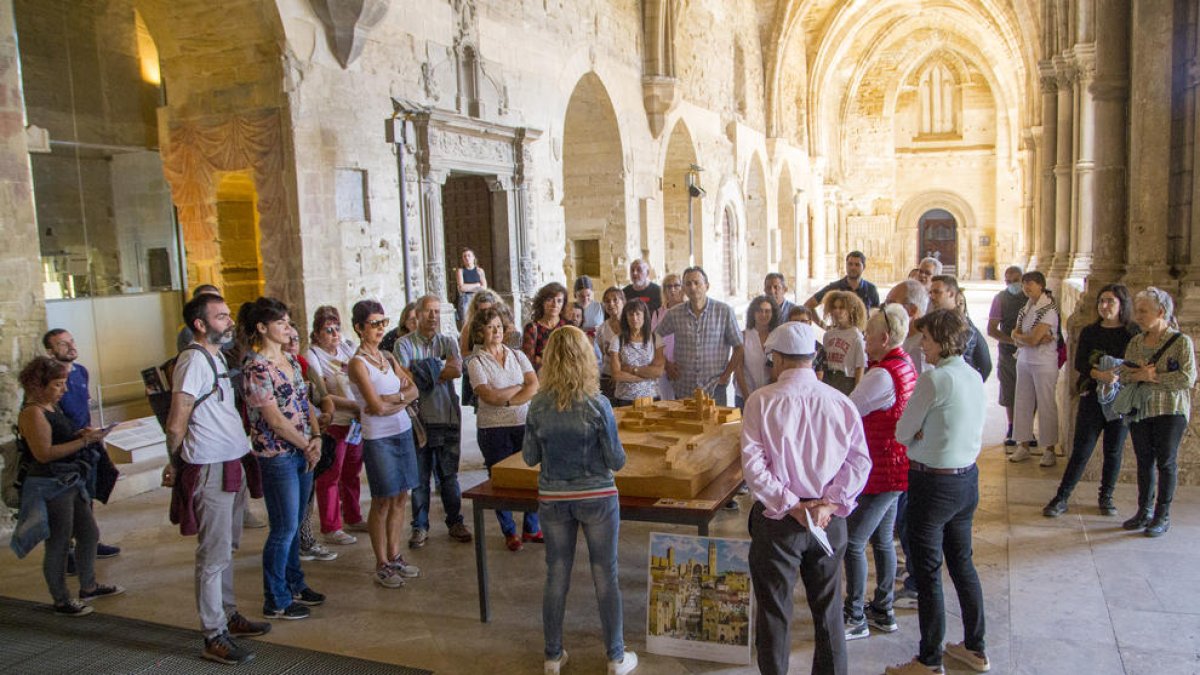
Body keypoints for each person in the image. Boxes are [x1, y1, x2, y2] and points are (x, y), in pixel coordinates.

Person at [740, 321, 871, 675]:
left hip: (780, 524)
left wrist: (791, 505)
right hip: (828, 521)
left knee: (774, 611)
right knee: (829, 611)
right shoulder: (840, 402)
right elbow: (859, 462)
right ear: (813, 358)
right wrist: (830, 502)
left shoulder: (761, 401)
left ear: (779, 360)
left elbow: (754, 467)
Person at [161, 293, 270, 664]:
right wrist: (174, 462)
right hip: (209, 466)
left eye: (227, 314)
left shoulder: (217, 357)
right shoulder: (193, 360)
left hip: (230, 461)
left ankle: (228, 613)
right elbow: (177, 421)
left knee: (227, 547)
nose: (229, 321)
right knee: (213, 554)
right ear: (200, 324)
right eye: (220, 316)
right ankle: (213, 634)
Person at [522, 326, 636, 675]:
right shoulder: (598, 404)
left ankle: (552, 656)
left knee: (556, 573)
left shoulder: (538, 405)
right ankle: (615, 657)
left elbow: (529, 457)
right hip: (597, 496)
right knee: (605, 574)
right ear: (586, 358)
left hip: (554, 497)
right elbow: (616, 460)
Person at [888, 309, 989, 675]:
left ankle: (929, 660)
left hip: (932, 485)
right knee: (962, 564)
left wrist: (920, 436)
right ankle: (975, 648)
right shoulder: (973, 375)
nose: (923, 346)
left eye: (928, 339)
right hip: (966, 481)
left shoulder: (934, 379)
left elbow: (902, 433)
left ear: (944, 341)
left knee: (929, 572)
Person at [13, 356, 123, 618]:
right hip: (50, 483)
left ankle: (89, 586)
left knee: (89, 533)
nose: (64, 389)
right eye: (57, 384)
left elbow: (59, 438)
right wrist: (84, 442)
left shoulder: (51, 407)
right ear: (38, 385)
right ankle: (61, 599)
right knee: (60, 542)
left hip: (69, 480)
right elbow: (44, 453)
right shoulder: (33, 412)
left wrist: (81, 435)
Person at [237, 297, 326, 620]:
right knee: (283, 527)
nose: (288, 328)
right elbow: (274, 419)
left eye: (288, 322)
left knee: (296, 521)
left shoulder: (290, 359)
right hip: (278, 455)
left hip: (303, 448)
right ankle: (275, 598)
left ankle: (295, 583)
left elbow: (304, 402)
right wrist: (306, 445)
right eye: (280, 323)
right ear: (262, 328)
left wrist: (316, 437)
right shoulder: (256, 367)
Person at [843, 305, 916, 643]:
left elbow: (849, 410)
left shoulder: (882, 375)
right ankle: (883, 608)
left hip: (881, 469)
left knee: (852, 542)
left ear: (884, 338)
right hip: (895, 466)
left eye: (868, 335)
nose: (864, 340)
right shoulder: (904, 364)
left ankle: (855, 615)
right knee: (882, 539)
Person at [346, 300, 423, 588]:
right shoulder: (358, 363)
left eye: (383, 322)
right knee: (382, 499)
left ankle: (395, 554)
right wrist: (397, 401)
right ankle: (381, 562)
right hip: (378, 437)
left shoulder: (387, 357)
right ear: (359, 328)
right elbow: (375, 408)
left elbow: (413, 390)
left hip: (402, 430)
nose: (380, 328)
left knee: (401, 496)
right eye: (374, 324)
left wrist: (393, 400)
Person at [1043, 284, 1137, 518]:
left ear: (1122, 304)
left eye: (1110, 301)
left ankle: (1106, 498)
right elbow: (1080, 363)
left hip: (1120, 399)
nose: (1104, 306)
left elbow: (1136, 364)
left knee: (1113, 451)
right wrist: (1099, 374)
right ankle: (1061, 497)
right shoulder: (1090, 331)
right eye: (1101, 301)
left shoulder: (1132, 333)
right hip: (1093, 396)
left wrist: (1117, 375)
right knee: (1082, 449)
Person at [395, 295, 474, 548]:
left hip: (446, 416)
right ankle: (419, 526)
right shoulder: (403, 344)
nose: (433, 316)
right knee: (420, 478)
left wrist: (422, 369)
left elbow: (456, 370)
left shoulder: (448, 342)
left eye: (437, 312)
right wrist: (438, 368)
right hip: (418, 418)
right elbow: (405, 378)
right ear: (417, 314)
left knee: (449, 475)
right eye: (428, 311)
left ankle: (455, 522)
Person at [1119, 287, 1196, 536]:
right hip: (1141, 410)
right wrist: (1138, 375)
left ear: (1161, 312)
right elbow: (1124, 373)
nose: (1137, 316)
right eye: (1137, 311)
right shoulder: (1136, 342)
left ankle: (1162, 515)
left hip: (1170, 411)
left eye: (1143, 311)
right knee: (1144, 461)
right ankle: (1144, 511)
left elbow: (1187, 378)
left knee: (1165, 461)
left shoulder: (1181, 342)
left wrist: (1154, 377)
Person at [43, 329, 121, 563]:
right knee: (66, 502)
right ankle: (66, 552)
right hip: (64, 445)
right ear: (50, 351)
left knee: (87, 495)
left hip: (86, 443)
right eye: (62, 344)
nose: (71, 346)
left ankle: (89, 542)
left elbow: (84, 408)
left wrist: (94, 434)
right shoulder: (46, 378)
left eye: (72, 341)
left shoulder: (81, 372)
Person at [468, 307, 541, 551]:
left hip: (523, 422)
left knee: (531, 473)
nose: (496, 331)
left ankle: (531, 527)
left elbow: (534, 385)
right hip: (493, 428)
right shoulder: (476, 362)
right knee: (499, 478)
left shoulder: (517, 355)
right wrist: (518, 388)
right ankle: (509, 530)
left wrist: (508, 398)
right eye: (490, 327)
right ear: (481, 332)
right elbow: (488, 396)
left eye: (499, 326)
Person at [304, 306, 367, 545]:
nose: (334, 334)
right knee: (331, 474)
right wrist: (354, 405)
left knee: (352, 472)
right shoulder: (314, 355)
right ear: (317, 333)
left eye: (337, 328)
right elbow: (321, 393)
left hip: (355, 422)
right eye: (328, 330)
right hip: (334, 421)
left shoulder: (347, 348)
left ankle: (353, 515)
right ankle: (331, 526)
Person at [654, 266, 743, 404]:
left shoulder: (724, 312)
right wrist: (666, 364)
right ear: (684, 289)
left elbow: (739, 347)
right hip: (683, 388)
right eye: (688, 284)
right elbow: (654, 337)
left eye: (697, 283)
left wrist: (726, 376)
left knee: (715, 419)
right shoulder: (675, 314)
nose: (693, 287)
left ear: (707, 286)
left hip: (714, 389)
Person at [1009, 271, 1060, 466]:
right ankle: (1023, 445)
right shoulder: (1026, 307)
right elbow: (1019, 335)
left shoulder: (1048, 309)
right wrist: (1025, 338)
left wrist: (1024, 338)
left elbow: (1031, 339)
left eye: (1030, 283)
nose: (1026, 287)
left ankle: (1049, 449)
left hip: (1044, 362)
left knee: (1046, 404)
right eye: (1024, 284)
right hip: (1024, 360)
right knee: (1023, 402)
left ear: (1041, 285)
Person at [987, 266, 1026, 446]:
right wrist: (1012, 341)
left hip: (1030, 352)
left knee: (1029, 391)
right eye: (1008, 281)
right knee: (1009, 390)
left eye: (1016, 280)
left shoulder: (1032, 298)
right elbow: (992, 329)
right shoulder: (1000, 299)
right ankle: (1012, 427)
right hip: (1008, 353)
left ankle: (1025, 429)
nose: (1012, 285)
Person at [929, 275, 992, 382]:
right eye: (930, 293)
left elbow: (985, 364)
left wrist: (974, 383)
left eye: (937, 292)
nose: (932, 297)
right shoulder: (938, 321)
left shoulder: (962, 325)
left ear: (951, 294)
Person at [608, 299, 665, 406]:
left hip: (651, 397)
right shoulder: (617, 340)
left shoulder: (655, 338)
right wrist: (645, 376)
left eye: (638, 314)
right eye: (630, 314)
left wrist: (632, 369)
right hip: (625, 398)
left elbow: (658, 372)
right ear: (626, 317)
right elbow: (616, 375)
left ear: (644, 316)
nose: (634, 318)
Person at [734, 295, 779, 408]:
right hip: (745, 395)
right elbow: (738, 368)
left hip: (771, 397)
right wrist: (747, 397)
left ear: (773, 314)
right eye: (759, 311)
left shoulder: (778, 336)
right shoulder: (743, 336)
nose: (763, 314)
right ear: (752, 313)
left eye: (767, 311)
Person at [821, 290, 868, 396]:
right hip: (829, 377)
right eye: (834, 307)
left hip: (846, 380)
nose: (837, 311)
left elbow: (860, 367)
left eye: (842, 308)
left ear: (851, 310)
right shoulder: (828, 335)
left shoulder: (856, 336)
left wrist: (856, 393)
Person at [804, 251, 880, 311]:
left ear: (864, 267)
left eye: (857, 265)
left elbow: (877, 315)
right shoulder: (834, 287)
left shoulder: (871, 289)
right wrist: (821, 323)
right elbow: (808, 306)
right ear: (846, 265)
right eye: (850, 264)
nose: (853, 268)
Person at [885, 280, 932, 375]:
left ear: (912, 310)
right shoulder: (897, 338)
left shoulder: (920, 348)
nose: (886, 310)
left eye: (891, 304)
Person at [522, 282, 569, 372]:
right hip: (542, 377)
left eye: (559, 301)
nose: (555, 305)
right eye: (550, 300)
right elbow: (529, 361)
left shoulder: (569, 326)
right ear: (542, 302)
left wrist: (541, 360)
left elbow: (575, 356)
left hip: (567, 376)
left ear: (563, 304)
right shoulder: (532, 328)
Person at [652, 273, 684, 400]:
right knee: (668, 404)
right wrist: (667, 365)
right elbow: (653, 341)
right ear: (664, 290)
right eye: (668, 286)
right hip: (664, 367)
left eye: (676, 285)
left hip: (684, 367)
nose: (672, 289)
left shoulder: (688, 311)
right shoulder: (657, 313)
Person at [596, 287, 626, 401]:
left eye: (615, 300)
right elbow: (602, 354)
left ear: (623, 302)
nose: (611, 304)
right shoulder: (601, 329)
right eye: (607, 301)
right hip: (608, 378)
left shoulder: (632, 325)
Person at [176, 283, 222, 352]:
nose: (215, 305)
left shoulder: (227, 326)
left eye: (217, 300)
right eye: (206, 301)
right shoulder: (190, 332)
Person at [455, 247, 488, 326]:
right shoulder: (460, 271)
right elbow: (462, 288)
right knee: (467, 323)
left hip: (478, 298)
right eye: (464, 256)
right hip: (465, 299)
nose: (467, 258)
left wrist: (468, 287)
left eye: (469, 255)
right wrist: (477, 285)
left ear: (473, 257)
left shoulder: (479, 271)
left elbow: (484, 287)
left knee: (480, 321)